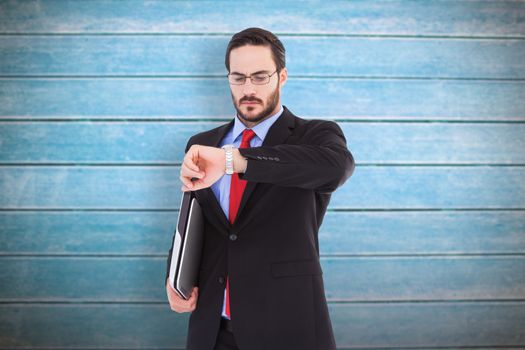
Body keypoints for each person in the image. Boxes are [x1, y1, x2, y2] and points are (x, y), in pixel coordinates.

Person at [165, 27, 355, 350]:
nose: (248, 89)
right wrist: (174, 276)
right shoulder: (202, 144)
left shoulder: (315, 137)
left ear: (282, 77)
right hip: (211, 331)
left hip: (287, 329)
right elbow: (194, 223)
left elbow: (337, 168)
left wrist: (235, 160)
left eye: (259, 77)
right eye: (238, 78)